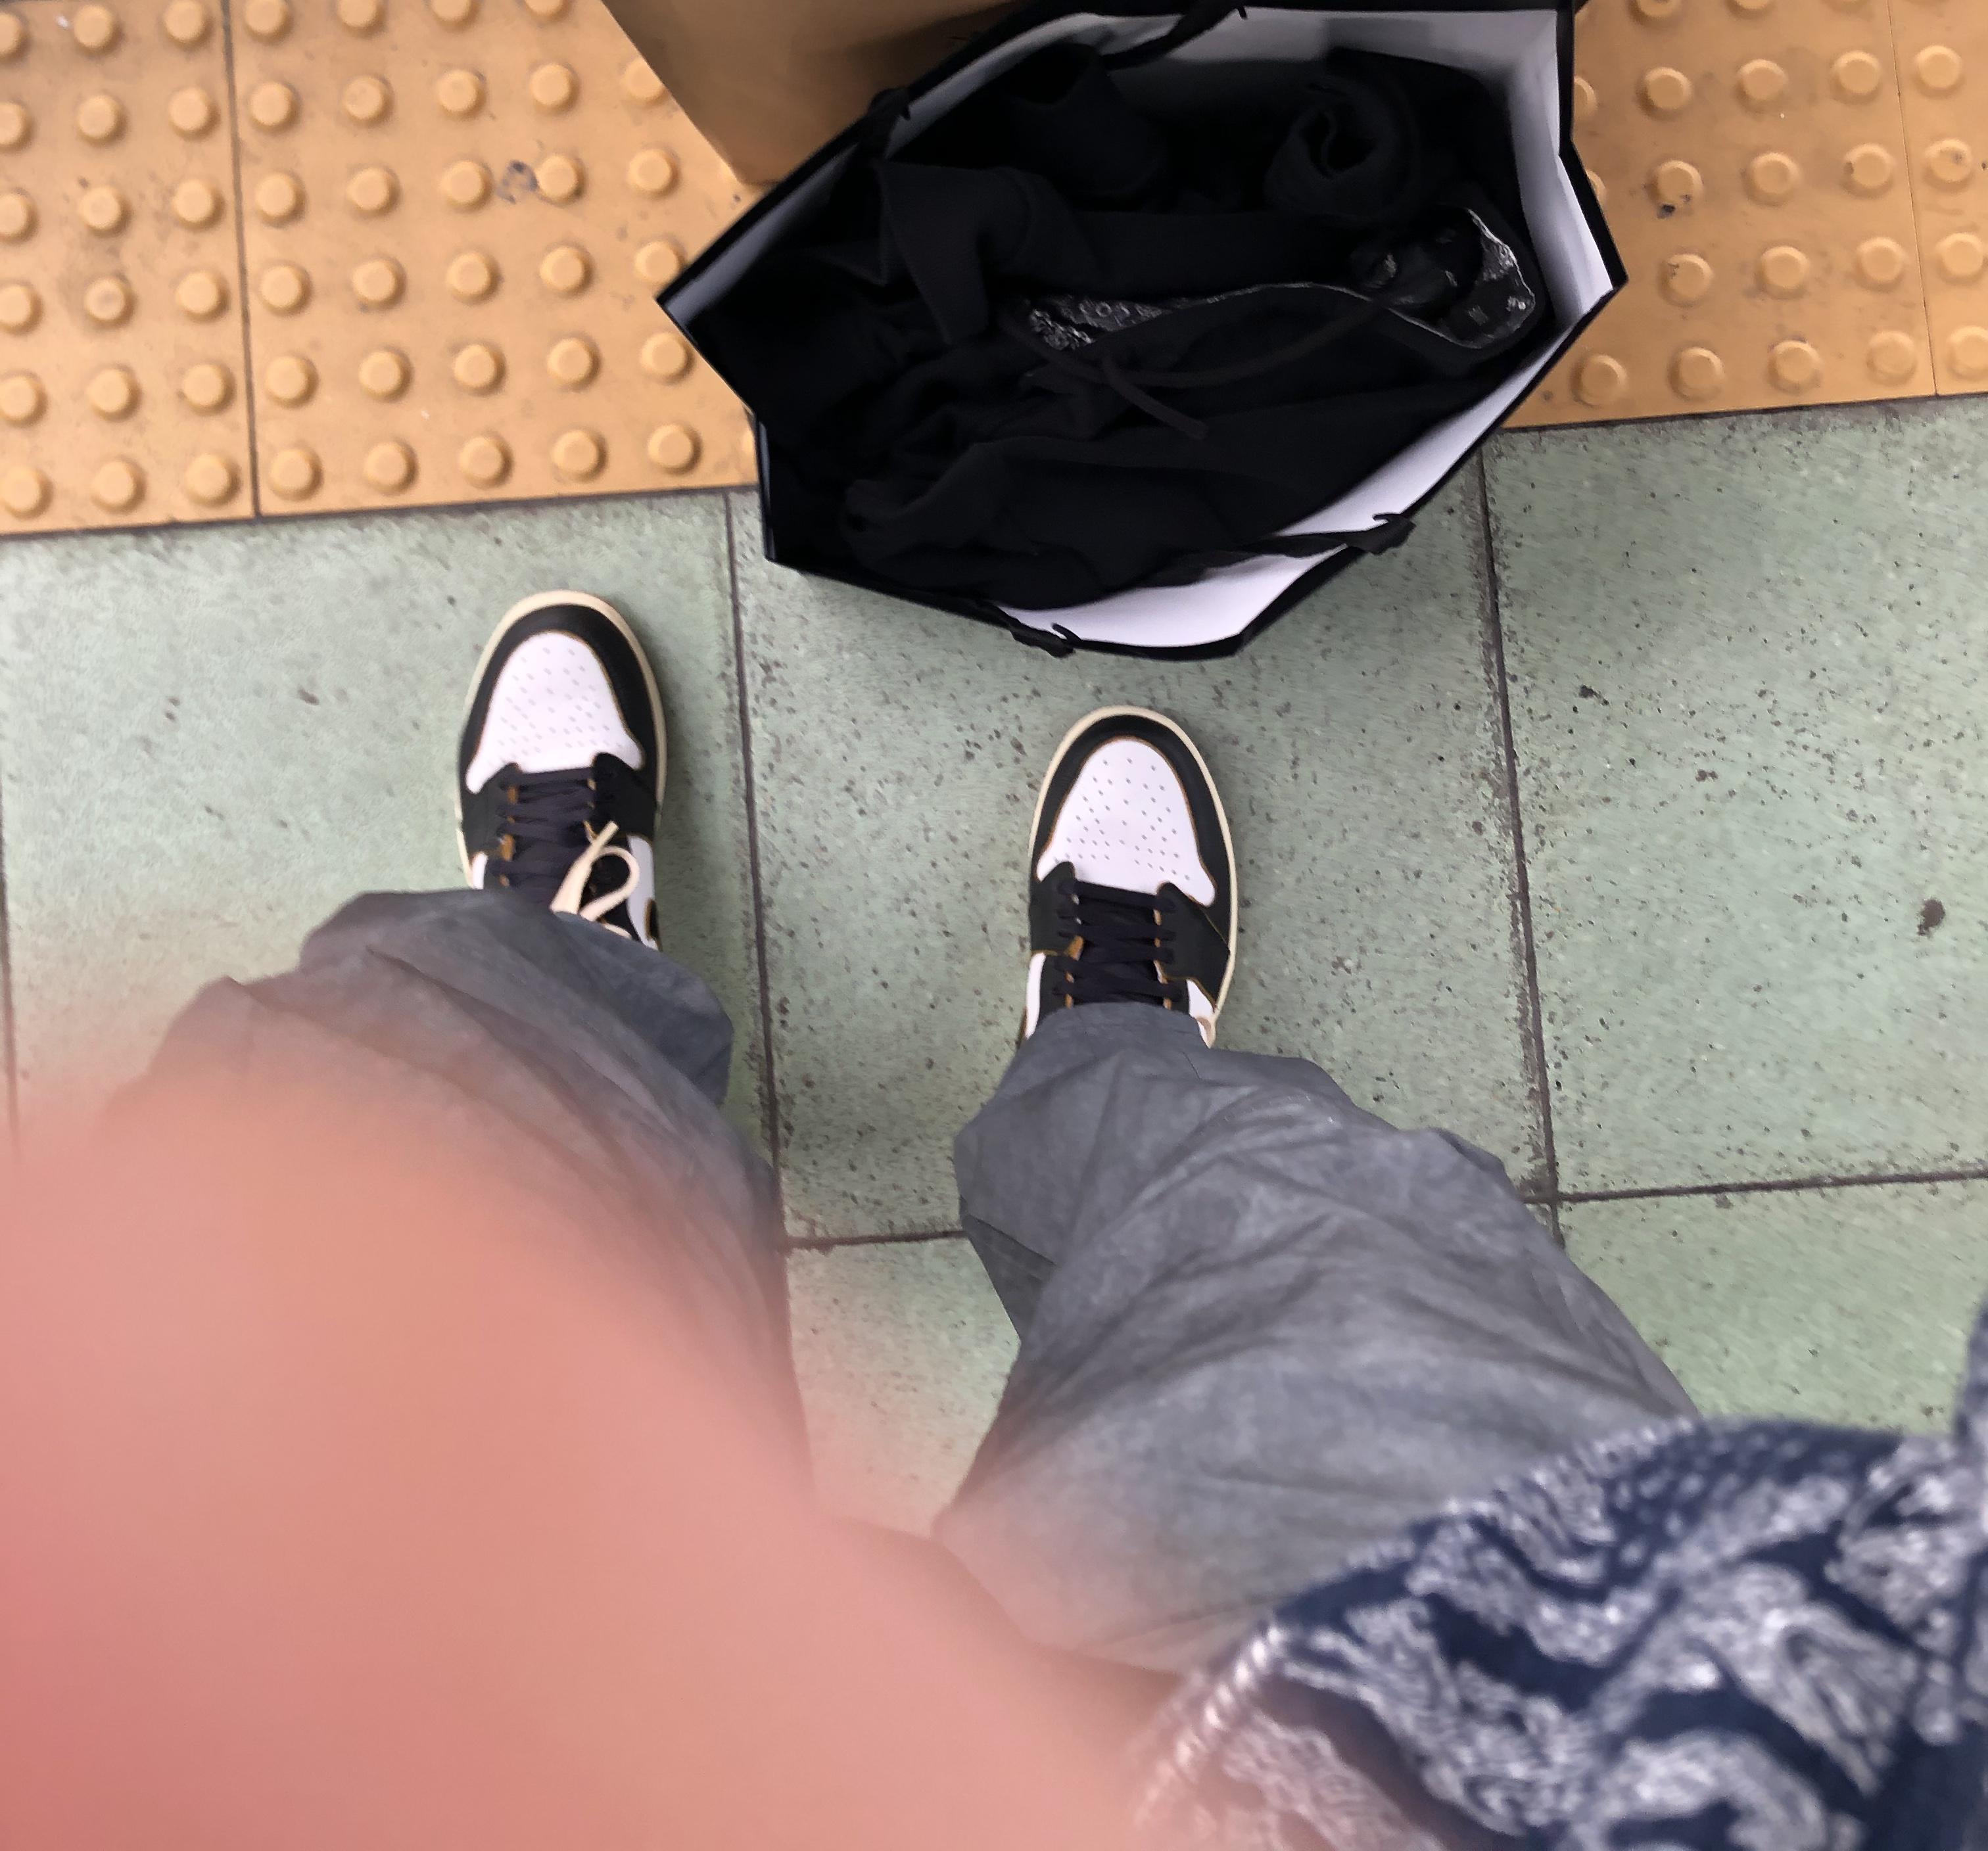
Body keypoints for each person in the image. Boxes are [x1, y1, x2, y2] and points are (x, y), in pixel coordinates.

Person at [8, 590, 1985, 1849]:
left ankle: (550, 958)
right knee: (1326, 1252)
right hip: (1534, 1735)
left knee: (376, 1147)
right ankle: (1104, 1055)